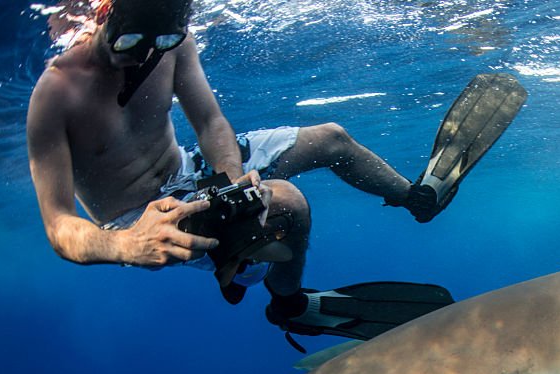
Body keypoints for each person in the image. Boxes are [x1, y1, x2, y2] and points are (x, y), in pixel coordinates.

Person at [26, 0, 473, 342]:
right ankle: (291, 305)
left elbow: (210, 122)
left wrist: (230, 180)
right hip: (137, 215)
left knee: (332, 138)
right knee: (289, 203)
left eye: (158, 45)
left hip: (189, 168)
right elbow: (58, 225)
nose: (143, 57)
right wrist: (125, 245)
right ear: (104, 13)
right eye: (129, 45)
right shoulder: (57, 93)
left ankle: (416, 200)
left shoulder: (173, 41)